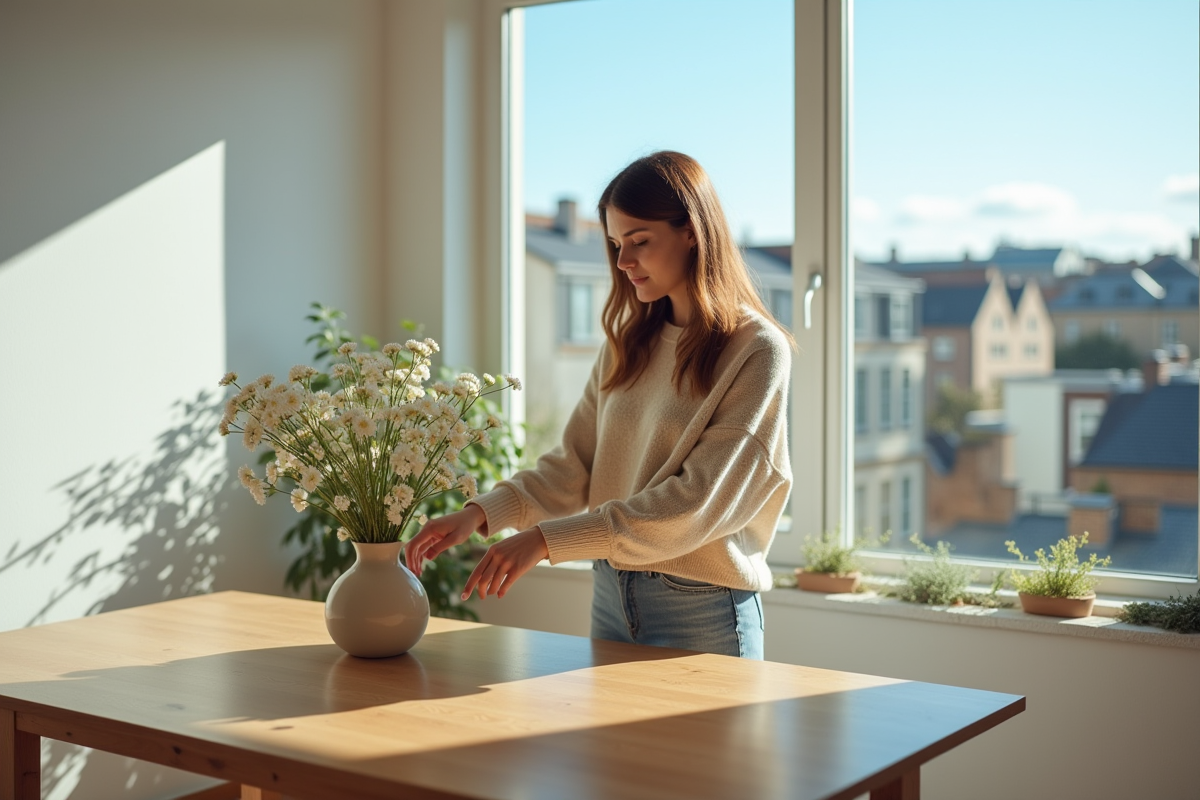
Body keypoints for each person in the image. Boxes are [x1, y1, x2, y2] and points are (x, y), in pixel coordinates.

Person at [404, 151, 794, 659]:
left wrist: (545, 541)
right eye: (615, 244)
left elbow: (694, 503)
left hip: (702, 611)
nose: (623, 262)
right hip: (612, 596)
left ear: (692, 232)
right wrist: (479, 515)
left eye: (640, 241)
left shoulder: (757, 350)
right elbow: (577, 465)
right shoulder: (628, 342)